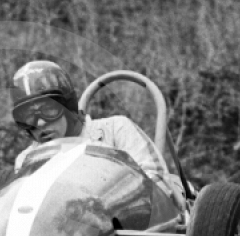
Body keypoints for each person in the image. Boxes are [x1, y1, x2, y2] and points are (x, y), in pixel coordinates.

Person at [10, 60, 173, 192]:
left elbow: (157, 184)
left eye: (48, 110)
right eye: (28, 116)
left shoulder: (116, 130)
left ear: (68, 107)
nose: (40, 123)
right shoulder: (27, 160)